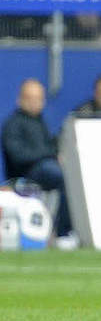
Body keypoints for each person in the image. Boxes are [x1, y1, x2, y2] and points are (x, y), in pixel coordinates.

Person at [1, 78, 69, 236]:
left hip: (44, 171)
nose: (34, 103)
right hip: (23, 176)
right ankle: (62, 233)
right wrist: (50, 154)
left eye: (38, 99)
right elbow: (18, 157)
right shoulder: (12, 124)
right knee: (57, 174)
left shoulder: (40, 122)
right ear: (20, 99)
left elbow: (50, 147)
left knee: (67, 177)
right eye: (29, 98)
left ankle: (66, 229)